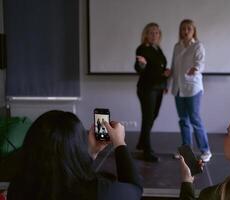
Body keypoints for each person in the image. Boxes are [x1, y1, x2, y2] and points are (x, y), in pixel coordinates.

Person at [7, 110, 142, 200]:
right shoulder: (100, 192)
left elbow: (67, 171)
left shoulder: (17, 187)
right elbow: (135, 189)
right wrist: (119, 142)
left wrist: (92, 153)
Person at [170, 19, 211, 162]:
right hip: (178, 89)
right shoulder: (177, 46)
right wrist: (166, 83)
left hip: (193, 88)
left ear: (193, 31)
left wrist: (196, 69)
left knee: (195, 119)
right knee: (183, 120)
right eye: (183, 29)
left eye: (188, 29)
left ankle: (205, 150)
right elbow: (174, 68)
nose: (185, 31)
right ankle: (186, 150)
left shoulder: (198, 46)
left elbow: (200, 63)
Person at [134, 22, 171, 162]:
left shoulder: (157, 48)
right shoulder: (142, 48)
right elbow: (139, 67)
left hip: (159, 88)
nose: (154, 35)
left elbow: (159, 69)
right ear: (146, 35)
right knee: (148, 118)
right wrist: (141, 64)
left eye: (156, 32)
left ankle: (142, 142)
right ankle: (147, 151)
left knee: (153, 116)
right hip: (147, 88)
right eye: (151, 32)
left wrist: (165, 81)